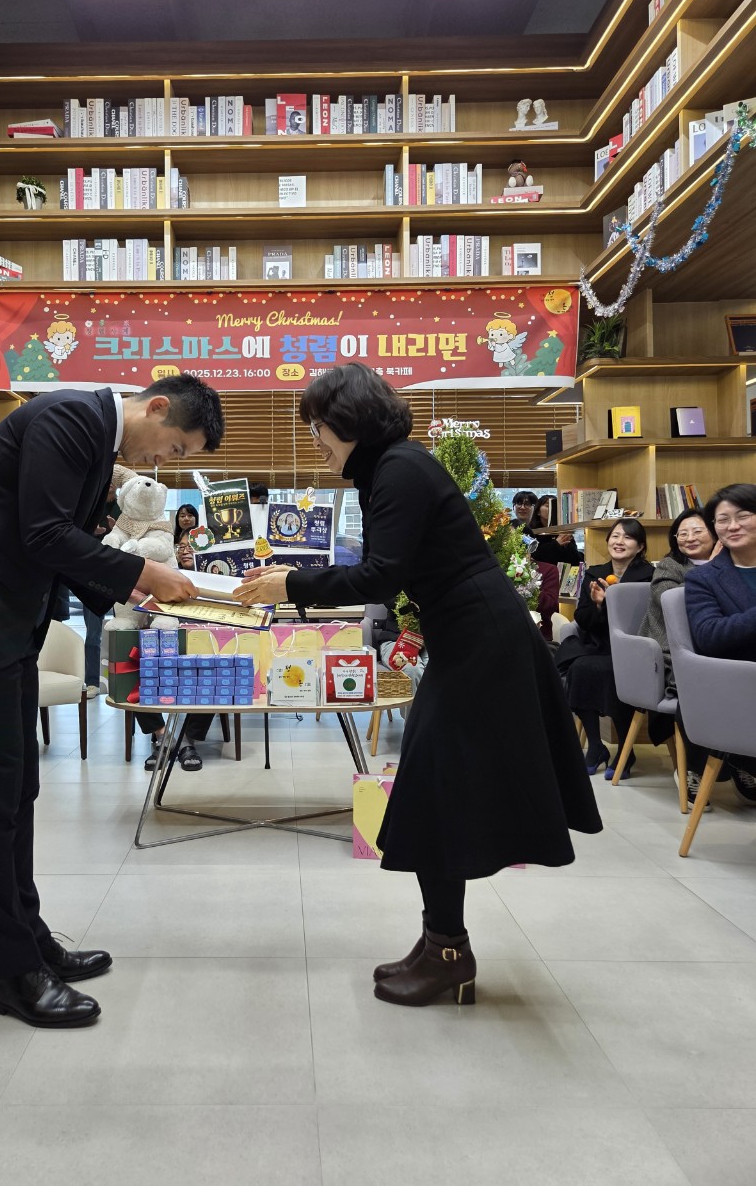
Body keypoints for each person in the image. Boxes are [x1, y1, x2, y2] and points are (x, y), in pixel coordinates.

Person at [233, 363, 601, 1008]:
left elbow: (378, 578)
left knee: (438, 793)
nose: (314, 439)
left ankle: (447, 952)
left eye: (317, 426)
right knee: (437, 793)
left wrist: (288, 584)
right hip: (470, 639)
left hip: (480, 645)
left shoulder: (399, 470)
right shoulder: (393, 468)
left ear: (347, 421)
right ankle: (441, 946)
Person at [0, 375, 224, 1028]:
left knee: (17, 786)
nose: (160, 464)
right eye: (173, 449)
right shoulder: (71, 418)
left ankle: (30, 941)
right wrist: (141, 573)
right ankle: (10, 975)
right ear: (156, 409)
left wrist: (126, 593)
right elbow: (43, 533)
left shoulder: (92, 435)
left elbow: (56, 540)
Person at [636, 507, 724, 809]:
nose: (688, 538)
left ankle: (740, 759)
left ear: (714, 533)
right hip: (674, 652)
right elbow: (671, 603)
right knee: (703, 686)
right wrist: (710, 570)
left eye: (697, 531)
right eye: (682, 533)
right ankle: (694, 769)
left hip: (720, 647)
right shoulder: (670, 566)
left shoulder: (736, 564)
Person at [556, 519, 654, 777]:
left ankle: (625, 749)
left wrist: (611, 601)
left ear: (640, 545)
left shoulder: (649, 576)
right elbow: (583, 619)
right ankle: (597, 746)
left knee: (613, 673)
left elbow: (643, 620)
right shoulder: (594, 572)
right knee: (578, 668)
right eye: (615, 536)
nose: (619, 542)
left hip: (632, 649)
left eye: (627, 537)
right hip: (598, 643)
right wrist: (599, 607)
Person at [684, 483, 756, 803]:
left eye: (743, 515)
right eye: (723, 520)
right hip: (740, 682)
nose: (733, 526)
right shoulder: (704, 578)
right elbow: (709, 635)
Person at [82, 469, 119, 698]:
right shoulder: (86, 505)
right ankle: (92, 681)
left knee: (125, 631)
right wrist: (88, 530)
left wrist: (116, 531)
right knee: (93, 632)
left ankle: (123, 681)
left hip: (119, 577)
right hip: (91, 576)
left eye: (113, 484)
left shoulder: (124, 510)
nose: (110, 488)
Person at [526, 494, 581, 566]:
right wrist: (556, 544)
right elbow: (534, 557)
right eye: (548, 506)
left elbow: (576, 560)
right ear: (538, 511)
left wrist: (567, 545)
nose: (552, 509)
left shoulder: (562, 531)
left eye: (555, 507)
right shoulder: (530, 532)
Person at [173, 502, 199, 568]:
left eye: (190, 515)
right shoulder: (171, 540)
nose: (186, 519)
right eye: (182, 516)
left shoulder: (205, 538)